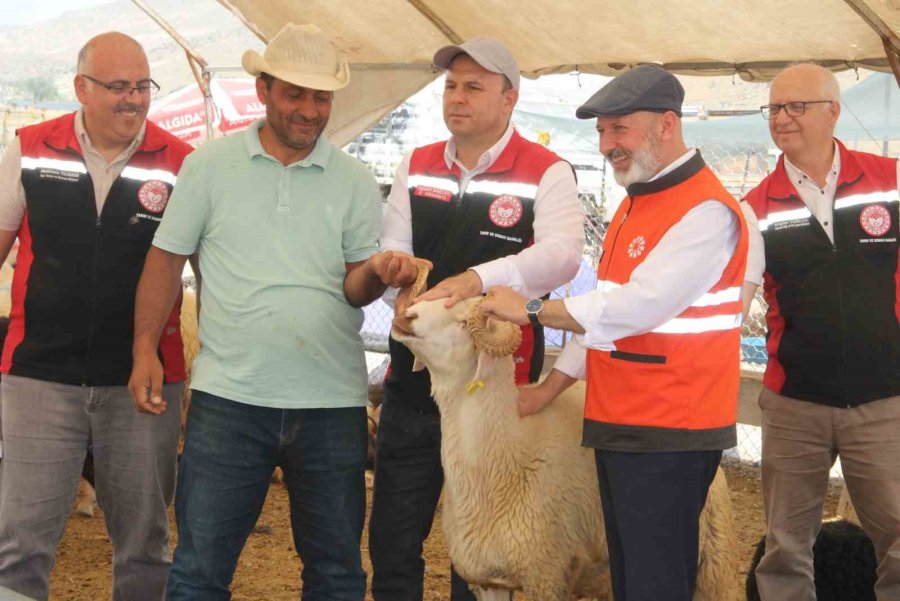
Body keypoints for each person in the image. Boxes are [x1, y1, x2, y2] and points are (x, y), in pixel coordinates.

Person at [127, 23, 421, 601]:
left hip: (332, 401)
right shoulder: (209, 165)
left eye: (321, 97)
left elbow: (354, 288)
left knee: (336, 575)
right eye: (295, 94)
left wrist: (378, 270)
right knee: (199, 572)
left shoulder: (356, 180)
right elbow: (164, 261)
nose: (310, 110)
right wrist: (143, 351)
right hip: (230, 397)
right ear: (263, 89)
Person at [480, 64, 748, 601]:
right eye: (602, 131)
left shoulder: (705, 209)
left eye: (619, 128)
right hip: (621, 419)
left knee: (655, 581)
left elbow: (635, 306)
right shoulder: (636, 201)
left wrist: (531, 309)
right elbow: (602, 318)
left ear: (667, 125)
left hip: (670, 426)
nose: (606, 145)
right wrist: (551, 389)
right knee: (631, 577)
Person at [368, 36, 584, 600]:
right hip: (416, 384)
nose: (456, 97)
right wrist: (395, 272)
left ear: (509, 99)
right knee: (393, 539)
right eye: (450, 86)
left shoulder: (547, 171)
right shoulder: (416, 165)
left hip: (496, 393)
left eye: (473, 87)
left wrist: (478, 279)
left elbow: (563, 254)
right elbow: (395, 244)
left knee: (491, 543)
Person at [0, 32, 193, 601]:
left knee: (145, 544)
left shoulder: (182, 161)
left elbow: (212, 267)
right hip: (39, 375)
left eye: (142, 86)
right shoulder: (30, 148)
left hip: (145, 381)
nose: (133, 99)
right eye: (118, 87)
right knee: (20, 543)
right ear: (81, 88)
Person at [741, 63, 900, 601]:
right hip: (795, 405)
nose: (781, 119)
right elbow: (736, 299)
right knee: (785, 548)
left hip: (884, 398)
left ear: (834, 111)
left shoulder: (890, 180)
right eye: (774, 109)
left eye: (796, 107)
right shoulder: (754, 206)